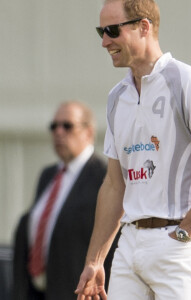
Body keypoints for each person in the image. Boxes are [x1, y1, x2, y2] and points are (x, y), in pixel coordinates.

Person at [75, 0, 191, 299]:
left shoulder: (188, 82)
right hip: (129, 244)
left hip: (179, 244)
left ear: (144, 27)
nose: (104, 41)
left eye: (112, 30)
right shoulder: (117, 98)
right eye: (101, 30)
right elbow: (114, 185)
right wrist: (95, 260)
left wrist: (185, 232)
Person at [12, 101, 119, 300]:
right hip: (39, 291)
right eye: (54, 126)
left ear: (88, 132)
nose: (59, 132)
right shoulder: (48, 175)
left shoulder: (104, 179)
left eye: (67, 126)